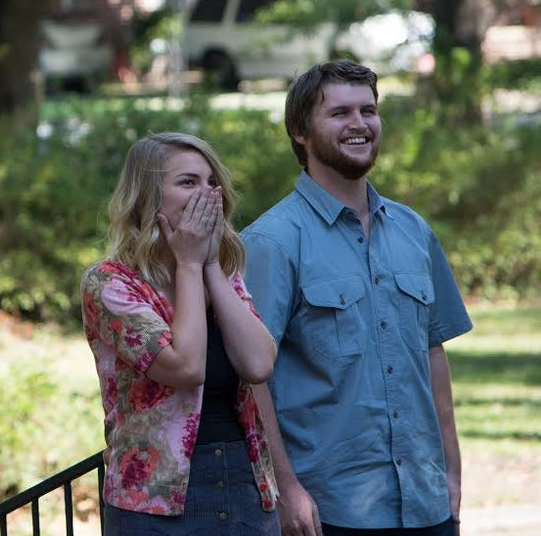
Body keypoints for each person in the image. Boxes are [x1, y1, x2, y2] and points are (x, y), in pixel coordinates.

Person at [241, 60, 473, 536]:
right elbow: (251, 378)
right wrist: (285, 489)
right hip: (331, 510)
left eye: (368, 110)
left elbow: (432, 353)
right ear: (300, 131)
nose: (359, 124)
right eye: (340, 112)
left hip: (426, 501)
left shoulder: (414, 231)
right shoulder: (271, 242)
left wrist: (451, 471)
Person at [80, 132, 280, 535]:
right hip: (155, 503)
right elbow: (187, 366)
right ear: (148, 198)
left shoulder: (222, 274)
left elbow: (259, 363)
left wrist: (207, 268)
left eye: (211, 182)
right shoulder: (110, 283)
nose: (207, 193)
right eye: (188, 182)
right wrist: (188, 264)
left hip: (243, 485)